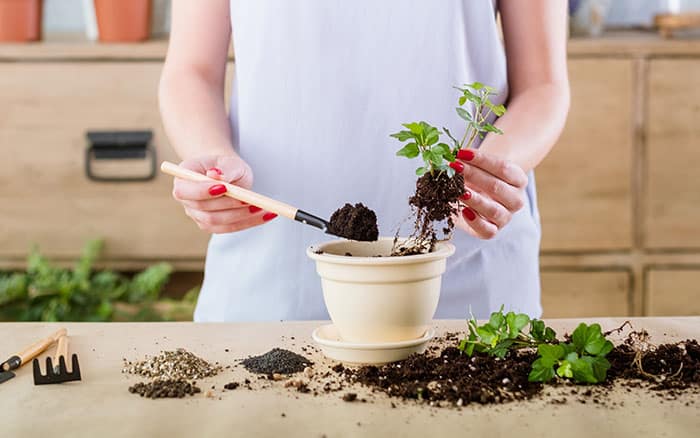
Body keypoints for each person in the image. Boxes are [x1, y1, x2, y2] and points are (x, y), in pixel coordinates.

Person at [160, 1, 570, 322]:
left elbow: (543, 84)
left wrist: (494, 170)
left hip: (466, 280)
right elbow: (190, 70)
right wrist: (212, 157)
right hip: (271, 280)